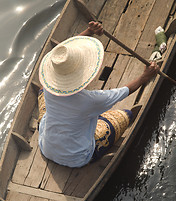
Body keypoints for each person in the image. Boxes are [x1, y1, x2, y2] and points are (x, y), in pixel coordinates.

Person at [38, 21, 159, 168]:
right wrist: (145, 77)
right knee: (125, 115)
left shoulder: (47, 84)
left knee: (41, 92)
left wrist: (89, 31)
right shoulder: (91, 100)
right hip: (77, 157)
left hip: (46, 148)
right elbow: (124, 91)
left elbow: (65, 52)